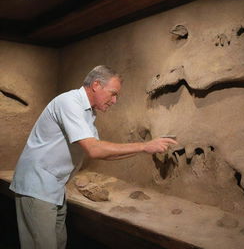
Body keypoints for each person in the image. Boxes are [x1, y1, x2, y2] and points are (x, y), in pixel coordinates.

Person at [10, 65, 177, 249]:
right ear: (96, 85)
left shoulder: (88, 113)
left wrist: (144, 150)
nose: (114, 100)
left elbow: (103, 154)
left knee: (58, 244)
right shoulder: (69, 102)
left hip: (54, 188)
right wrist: (144, 145)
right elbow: (95, 150)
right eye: (113, 93)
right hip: (37, 186)